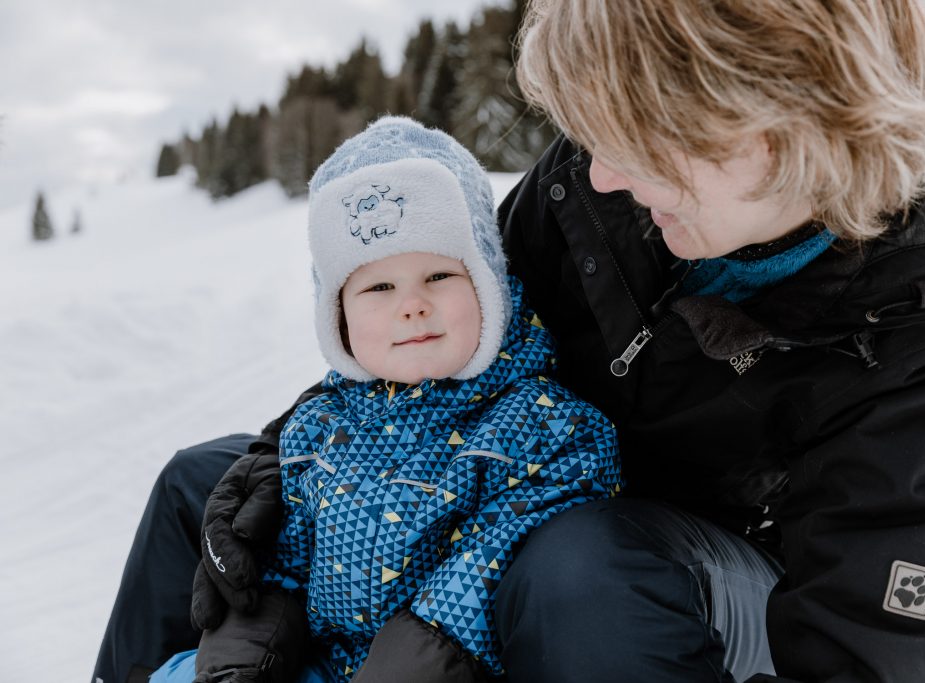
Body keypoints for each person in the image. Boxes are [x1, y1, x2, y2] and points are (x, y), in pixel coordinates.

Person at [92, 1, 925, 681]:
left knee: (572, 563)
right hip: (522, 475)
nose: (602, 172)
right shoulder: (608, 181)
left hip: (668, 587)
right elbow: (460, 327)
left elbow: (871, 653)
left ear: (767, 134)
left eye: (639, 143)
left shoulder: (917, 340)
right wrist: (283, 451)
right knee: (202, 485)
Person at [143, 117, 621, 683]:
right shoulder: (318, 426)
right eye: (379, 287)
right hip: (321, 662)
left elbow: (489, 571)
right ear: (338, 317)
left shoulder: (544, 427)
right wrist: (248, 648)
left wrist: (411, 663)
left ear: (490, 285)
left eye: (440, 275)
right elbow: (286, 562)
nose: (412, 306)